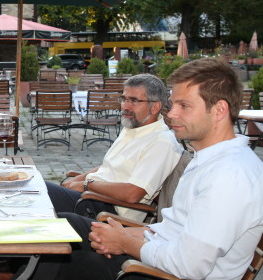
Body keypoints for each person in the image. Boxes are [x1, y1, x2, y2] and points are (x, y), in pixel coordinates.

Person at [20, 58, 263, 280]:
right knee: (62, 227)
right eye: (173, 104)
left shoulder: (230, 175)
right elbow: (172, 231)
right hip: (162, 261)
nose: (172, 113)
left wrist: (125, 243)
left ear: (219, 110)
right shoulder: (208, 160)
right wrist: (122, 235)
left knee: (60, 260)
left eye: (184, 106)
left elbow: (190, 265)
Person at [47, 73, 183, 222]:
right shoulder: (132, 128)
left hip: (109, 212)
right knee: (38, 191)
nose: (125, 106)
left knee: (43, 193)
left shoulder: (161, 142)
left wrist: (87, 185)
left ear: (155, 107)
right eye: (124, 99)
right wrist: (79, 179)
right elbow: (108, 167)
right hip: (93, 197)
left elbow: (132, 193)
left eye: (133, 101)